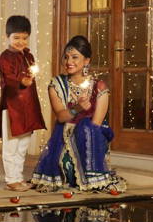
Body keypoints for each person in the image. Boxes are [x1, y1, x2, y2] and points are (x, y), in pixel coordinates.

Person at [31, 35, 126, 193]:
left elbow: (96, 125)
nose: (69, 62)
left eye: (75, 57)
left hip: (91, 139)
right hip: (64, 136)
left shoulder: (99, 87)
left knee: (87, 127)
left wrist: (82, 127)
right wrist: (78, 108)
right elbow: (61, 116)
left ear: (86, 61)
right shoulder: (56, 84)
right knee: (67, 168)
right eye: (66, 57)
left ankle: (93, 175)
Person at [0, 15, 46, 192]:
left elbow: (30, 74)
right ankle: (11, 179)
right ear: (8, 37)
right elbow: (8, 77)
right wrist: (21, 80)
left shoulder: (28, 56)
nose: (20, 42)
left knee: (23, 143)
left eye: (24, 38)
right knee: (12, 143)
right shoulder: (5, 57)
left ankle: (18, 177)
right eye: (16, 38)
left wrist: (30, 77)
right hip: (12, 106)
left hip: (28, 105)